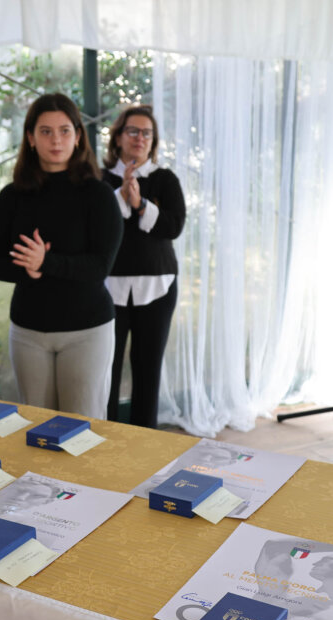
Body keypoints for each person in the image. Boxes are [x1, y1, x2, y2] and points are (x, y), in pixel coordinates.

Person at [0, 93, 122, 418]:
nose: (56, 140)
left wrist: (46, 263)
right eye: (45, 131)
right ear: (31, 138)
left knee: (82, 431)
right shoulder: (11, 196)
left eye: (64, 130)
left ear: (78, 137)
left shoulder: (99, 195)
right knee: (36, 427)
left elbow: (100, 266)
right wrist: (28, 271)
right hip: (28, 332)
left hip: (87, 330)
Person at [101, 105, 186, 427]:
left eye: (147, 133)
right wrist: (120, 197)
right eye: (133, 131)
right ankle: (103, 440)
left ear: (154, 141)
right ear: (118, 138)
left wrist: (140, 204)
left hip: (158, 288)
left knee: (148, 372)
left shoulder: (165, 179)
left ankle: (145, 441)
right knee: (105, 372)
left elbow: (174, 227)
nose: (140, 138)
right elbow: (95, 228)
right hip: (108, 288)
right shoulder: (99, 179)